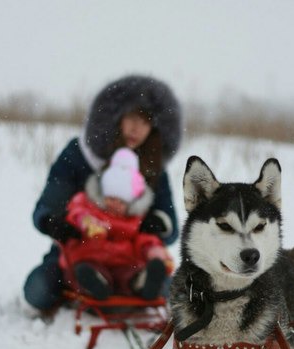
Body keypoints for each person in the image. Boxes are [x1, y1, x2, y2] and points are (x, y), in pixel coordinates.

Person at [23, 74, 181, 313]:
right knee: (38, 291)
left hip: (131, 256)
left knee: (170, 288)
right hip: (80, 248)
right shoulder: (79, 154)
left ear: (155, 129)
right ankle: (92, 284)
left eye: (145, 122)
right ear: (115, 117)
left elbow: (170, 226)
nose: (136, 128)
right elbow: (48, 205)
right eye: (131, 117)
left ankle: (131, 286)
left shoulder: (153, 167)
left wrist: (155, 223)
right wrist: (54, 222)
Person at [60, 147, 174, 300]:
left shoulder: (134, 220)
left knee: (129, 273)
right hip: (91, 258)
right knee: (82, 270)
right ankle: (95, 283)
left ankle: (141, 281)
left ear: (130, 203)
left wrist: (155, 253)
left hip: (123, 263)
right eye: (111, 198)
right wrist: (86, 222)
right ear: (103, 194)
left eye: (121, 202)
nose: (115, 204)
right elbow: (76, 212)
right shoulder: (90, 208)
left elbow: (145, 240)